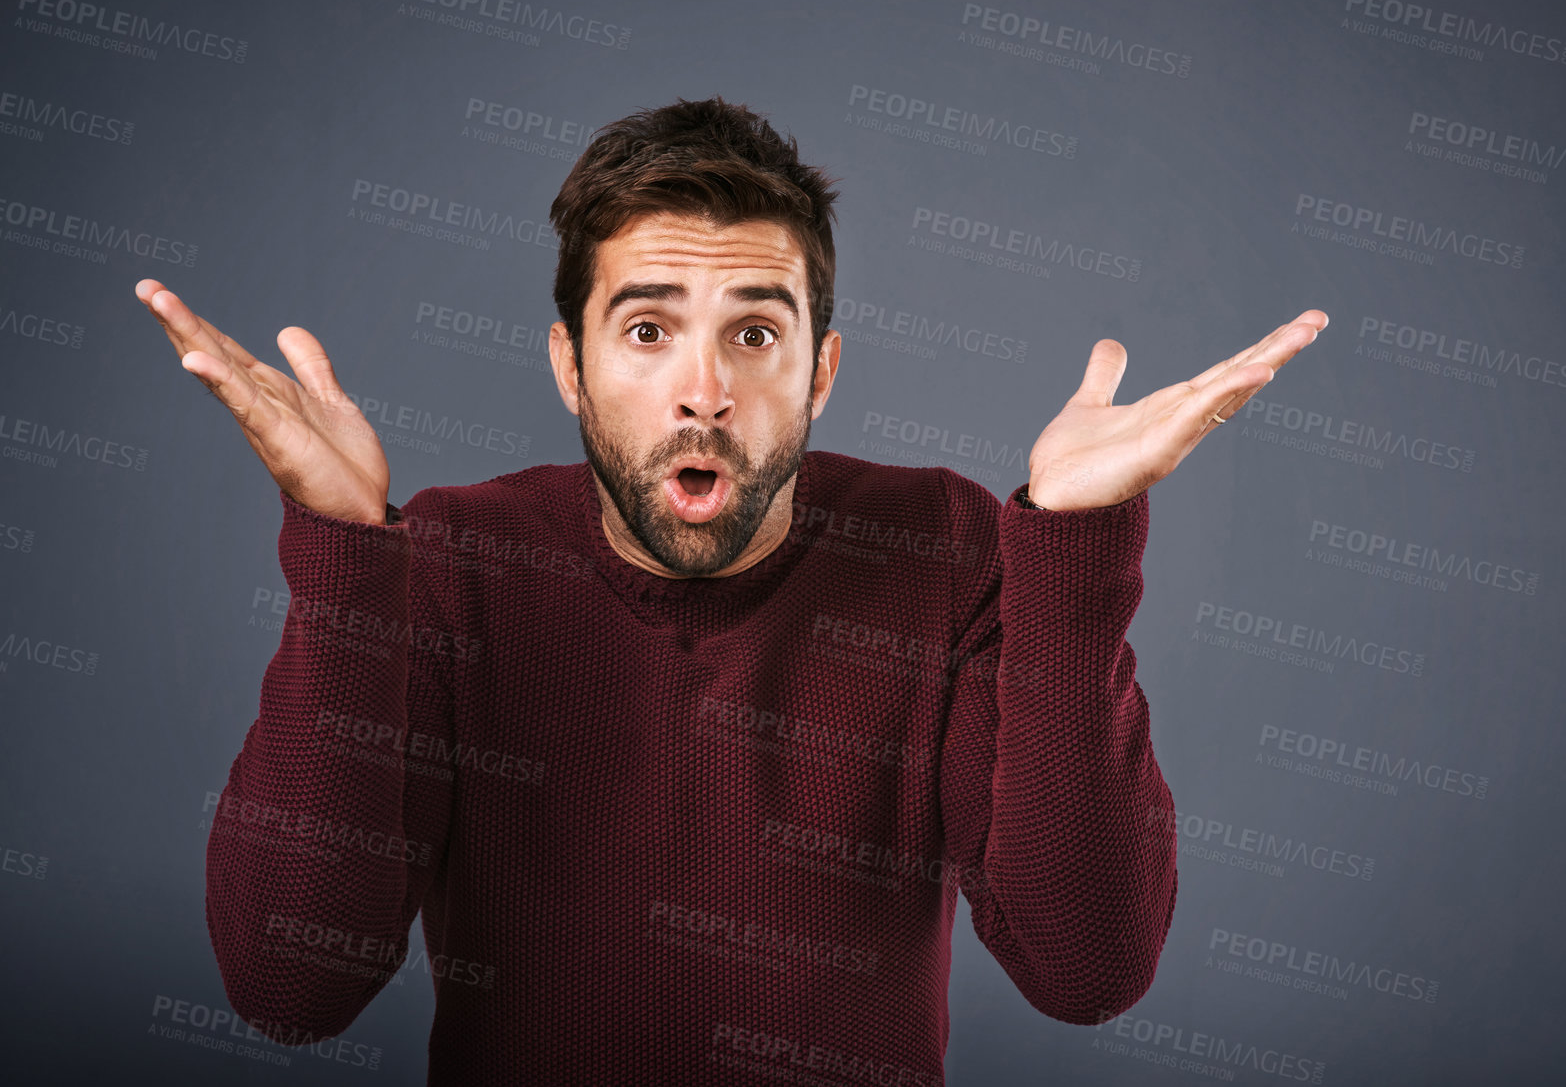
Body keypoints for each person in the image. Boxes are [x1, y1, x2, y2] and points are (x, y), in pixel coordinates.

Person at [137, 96, 1325, 1085]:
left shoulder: (944, 551)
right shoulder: (452, 563)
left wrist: (1071, 548)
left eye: (754, 336)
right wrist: (345, 558)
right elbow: (290, 987)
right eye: (647, 329)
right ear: (570, 366)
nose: (702, 390)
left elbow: (1086, 970)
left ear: (820, 372)